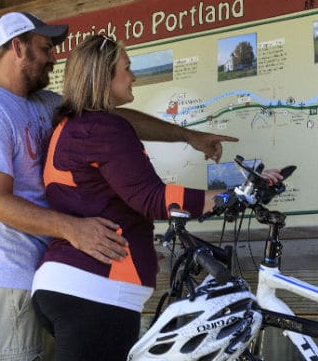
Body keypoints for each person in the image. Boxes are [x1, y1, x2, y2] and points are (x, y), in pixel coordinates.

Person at [0, 12, 236, 361]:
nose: (53, 57)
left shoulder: (44, 104)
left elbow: (111, 116)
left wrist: (187, 136)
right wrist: (73, 229)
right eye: (45, 48)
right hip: (7, 277)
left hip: (50, 273)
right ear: (18, 47)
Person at [30, 34, 284, 361]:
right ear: (103, 75)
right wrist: (230, 197)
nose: (133, 76)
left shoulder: (70, 127)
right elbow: (151, 198)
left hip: (69, 284)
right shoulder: (105, 128)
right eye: (126, 68)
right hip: (96, 290)